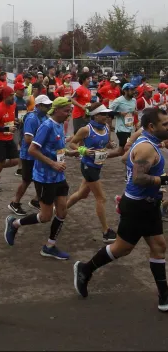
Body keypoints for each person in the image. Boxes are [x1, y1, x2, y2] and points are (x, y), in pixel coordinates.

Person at [74, 108, 168, 312]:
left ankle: (164, 296)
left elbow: (126, 159)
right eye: (165, 125)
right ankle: (85, 268)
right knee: (122, 248)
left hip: (148, 203)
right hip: (137, 206)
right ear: (152, 127)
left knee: (159, 246)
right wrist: (164, 179)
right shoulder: (147, 149)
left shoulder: (145, 140)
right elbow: (139, 178)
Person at [4, 97, 79, 259]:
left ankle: (49, 246)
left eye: (70, 110)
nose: (69, 113)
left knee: (62, 211)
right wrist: (53, 164)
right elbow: (32, 149)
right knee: (45, 217)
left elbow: (56, 148)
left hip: (59, 176)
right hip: (45, 178)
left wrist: (70, 152)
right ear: (57, 110)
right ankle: (14, 223)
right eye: (66, 110)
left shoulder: (59, 125)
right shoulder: (47, 126)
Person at [66, 103, 120, 243]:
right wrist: (83, 150)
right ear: (95, 115)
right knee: (101, 198)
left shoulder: (107, 128)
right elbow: (72, 144)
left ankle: (58, 210)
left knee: (82, 194)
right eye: (104, 114)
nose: (107, 117)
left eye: (108, 114)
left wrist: (111, 145)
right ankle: (106, 231)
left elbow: (106, 143)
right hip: (88, 166)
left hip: (98, 166)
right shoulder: (86, 129)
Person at [8, 95, 52, 215]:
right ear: (38, 106)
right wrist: (44, 145)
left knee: (40, 179)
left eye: (49, 105)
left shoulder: (44, 117)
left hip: (37, 154)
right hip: (29, 155)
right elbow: (28, 139)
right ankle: (14, 202)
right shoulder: (32, 118)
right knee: (26, 180)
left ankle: (36, 200)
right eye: (46, 105)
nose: (48, 107)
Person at [0, 86, 20, 192]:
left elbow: (9, 119)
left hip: (8, 137)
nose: (13, 98)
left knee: (16, 160)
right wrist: (8, 128)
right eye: (11, 96)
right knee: (1, 162)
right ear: (6, 96)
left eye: (14, 95)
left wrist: (15, 121)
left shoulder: (13, 105)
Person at [110, 83, 137, 159]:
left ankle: (101, 156)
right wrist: (119, 113)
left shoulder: (134, 100)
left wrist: (134, 113)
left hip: (129, 128)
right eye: (131, 90)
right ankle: (129, 165)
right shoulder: (118, 100)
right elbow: (108, 111)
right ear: (125, 90)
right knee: (128, 148)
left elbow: (132, 113)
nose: (134, 91)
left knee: (120, 152)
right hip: (121, 128)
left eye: (134, 89)